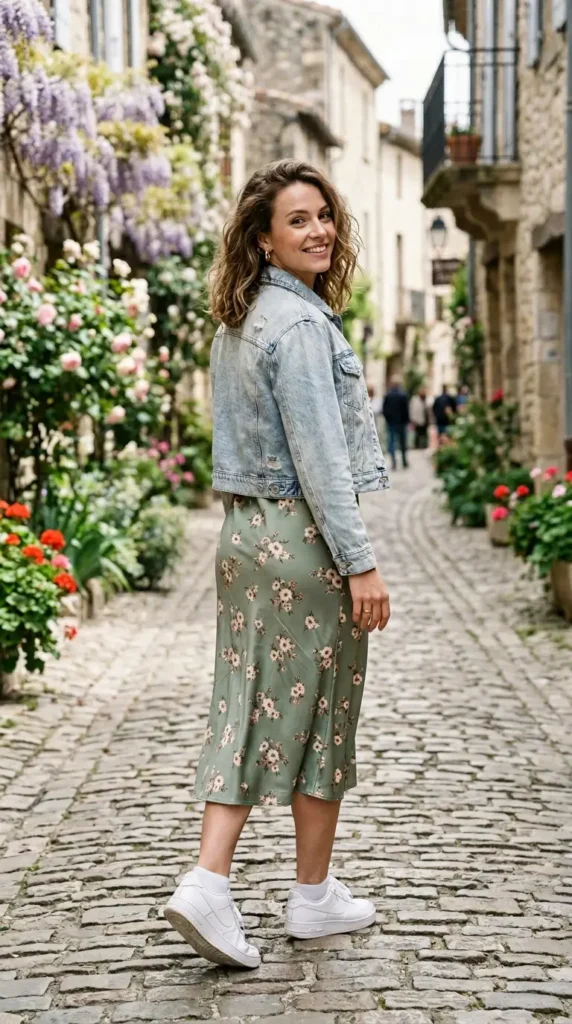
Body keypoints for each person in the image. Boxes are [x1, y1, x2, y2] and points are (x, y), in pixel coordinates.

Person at [164, 160, 391, 969]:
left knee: (250, 699)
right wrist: (360, 563)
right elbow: (320, 459)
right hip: (302, 540)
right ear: (263, 239)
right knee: (316, 712)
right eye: (298, 220)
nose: (319, 230)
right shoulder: (297, 328)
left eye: (324, 215)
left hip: (246, 540)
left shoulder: (244, 317)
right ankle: (216, 883)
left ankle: (309, 893)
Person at [382, 375, 409, 469]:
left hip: (391, 423)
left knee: (392, 443)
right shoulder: (403, 395)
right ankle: (404, 461)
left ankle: (394, 463)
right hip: (401, 423)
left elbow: (384, 410)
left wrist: (388, 419)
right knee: (403, 443)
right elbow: (406, 410)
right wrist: (406, 421)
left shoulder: (388, 395)